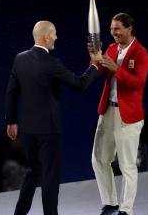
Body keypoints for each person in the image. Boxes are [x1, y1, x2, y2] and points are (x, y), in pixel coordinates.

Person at [5, 20, 101, 215]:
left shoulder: (19, 59)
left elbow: (11, 92)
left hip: (27, 128)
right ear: (46, 37)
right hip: (49, 130)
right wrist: (95, 64)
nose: (57, 37)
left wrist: (11, 121)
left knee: (33, 171)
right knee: (50, 177)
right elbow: (80, 84)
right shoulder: (51, 63)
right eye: (55, 34)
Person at [90, 13, 148, 215]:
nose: (113, 33)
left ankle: (126, 209)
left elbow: (138, 84)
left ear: (129, 29)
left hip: (129, 117)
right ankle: (110, 203)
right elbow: (99, 71)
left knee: (127, 165)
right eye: (111, 29)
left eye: (117, 29)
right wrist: (95, 59)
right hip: (107, 111)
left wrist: (117, 69)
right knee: (99, 159)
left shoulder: (141, 53)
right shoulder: (112, 48)